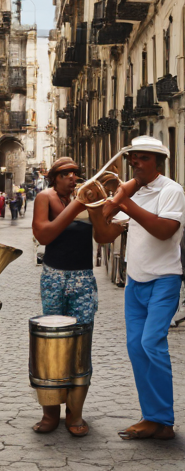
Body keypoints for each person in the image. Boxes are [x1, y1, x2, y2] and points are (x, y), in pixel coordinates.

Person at [102, 136, 185, 441]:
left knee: (152, 344)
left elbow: (164, 231)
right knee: (137, 349)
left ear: (158, 161)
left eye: (143, 158)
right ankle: (152, 418)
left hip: (164, 279)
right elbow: (105, 236)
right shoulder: (132, 191)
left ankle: (164, 419)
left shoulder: (172, 191)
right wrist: (102, 209)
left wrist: (125, 202)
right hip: (135, 280)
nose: (135, 162)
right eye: (133, 157)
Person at [32, 157, 95, 437]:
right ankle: (50, 412)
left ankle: (75, 413)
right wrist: (76, 206)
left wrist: (106, 209)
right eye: (66, 173)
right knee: (52, 343)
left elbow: (103, 236)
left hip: (83, 277)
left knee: (80, 343)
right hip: (54, 276)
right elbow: (44, 235)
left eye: (75, 173)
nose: (72, 177)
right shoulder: (45, 197)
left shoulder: (87, 198)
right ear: (55, 178)